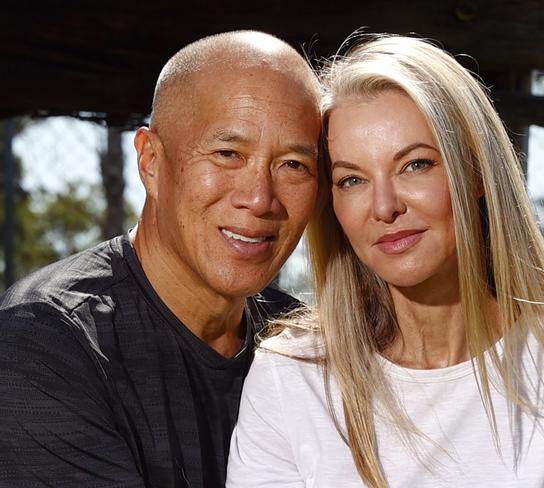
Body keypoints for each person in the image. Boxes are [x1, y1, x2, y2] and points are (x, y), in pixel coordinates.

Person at [226, 35, 544, 487]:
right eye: (352, 179)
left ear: (476, 169)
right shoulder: (290, 375)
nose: (384, 207)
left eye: (415, 165)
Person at [0, 30, 321, 487]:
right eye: (228, 154)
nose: (259, 198)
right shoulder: (45, 344)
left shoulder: (307, 348)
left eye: (293, 164)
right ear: (151, 162)